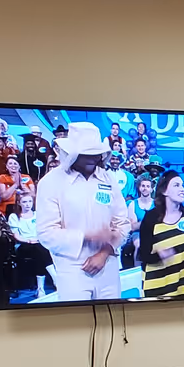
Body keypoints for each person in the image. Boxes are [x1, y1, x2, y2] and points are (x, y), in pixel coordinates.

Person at [35, 121, 133, 301]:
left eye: (96, 153)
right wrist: (87, 236)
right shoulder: (50, 183)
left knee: (114, 322)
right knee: (76, 324)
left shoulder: (109, 179)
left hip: (109, 265)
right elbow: (46, 233)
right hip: (72, 269)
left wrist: (103, 253)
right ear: (72, 153)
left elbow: (123, 224)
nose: (93, 158)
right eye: (87, 153)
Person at [135, 171, 184, 297]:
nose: (182, 189)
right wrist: (160, 255)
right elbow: (143, 256)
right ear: (164, 191)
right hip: (159, 291)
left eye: (183, 185)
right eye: (176, 185)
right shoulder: (151, 219)